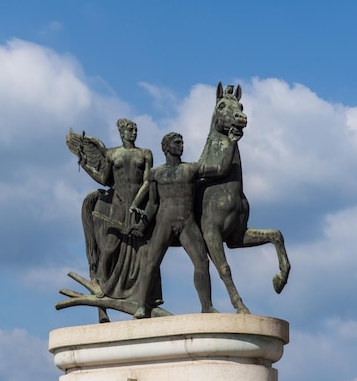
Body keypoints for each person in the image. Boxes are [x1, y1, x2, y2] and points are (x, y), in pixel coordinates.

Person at [132, 131, 240, 318]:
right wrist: (142, 225)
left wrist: (231, 143)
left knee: (202, 262)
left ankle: (206, 306)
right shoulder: (155, 173)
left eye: (182, 142)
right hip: (164, 222)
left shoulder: (191, 169)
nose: (181, 145)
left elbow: (221, 169)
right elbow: (153, 204)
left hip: (187, 223)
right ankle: (140, 306)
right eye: (177, 142)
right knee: (150, 263)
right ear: (166, 147)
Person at [78, 119, 161, 309]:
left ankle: (144, 294)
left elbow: (148, 181)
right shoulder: (112, 153)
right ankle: (98, 281)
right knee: (109, 247)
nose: (133, 132)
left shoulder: (145, 153)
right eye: (130, 129)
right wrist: (85, 166)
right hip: (118, 204)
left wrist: (137, 203)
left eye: (135, 129)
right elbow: (104, 179)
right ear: (121, 132)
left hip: (138, 205)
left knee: (143, 250)